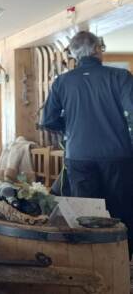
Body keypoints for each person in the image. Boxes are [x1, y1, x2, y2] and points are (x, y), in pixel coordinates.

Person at [41, 30, 133, 259]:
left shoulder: (62, 81)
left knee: (85, 213)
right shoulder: (120, 76)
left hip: (79, 156)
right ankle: (124, 265)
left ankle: (90, 262)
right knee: (122, 212)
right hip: (117, 154)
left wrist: (71, 127)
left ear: (74, 54)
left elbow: (48, 120)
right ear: (97, 49)